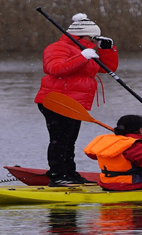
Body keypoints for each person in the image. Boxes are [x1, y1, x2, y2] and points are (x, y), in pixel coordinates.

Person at [34, 13, 119, 186]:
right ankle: (57, 176)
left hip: (74, 103)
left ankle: (70, 174)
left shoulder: (86, 50)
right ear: (82, 36)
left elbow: (106, 68)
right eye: (93, 38)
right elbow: (54, 69)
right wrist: (82, 57)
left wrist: (106, 50)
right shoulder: (58, 48)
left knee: (70, 140)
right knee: (60, 140)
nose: (95, 41)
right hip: (55, 100)